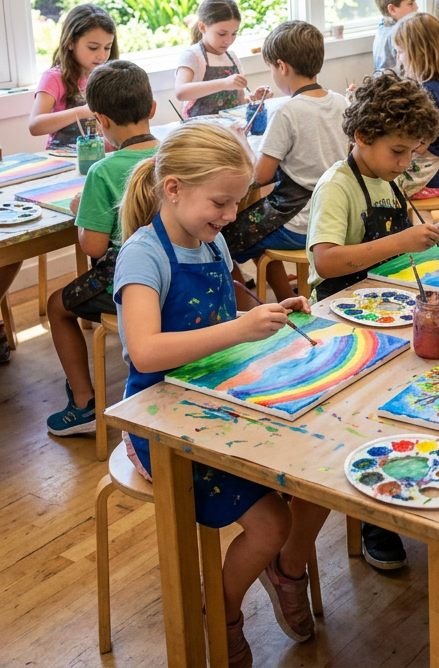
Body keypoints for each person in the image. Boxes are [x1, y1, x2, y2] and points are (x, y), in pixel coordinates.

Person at [115, 122, 330, 664]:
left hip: (224, 398)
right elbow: (145, 352)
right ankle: (224, 610)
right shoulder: (145, 255)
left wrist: (265, 314)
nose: (231, 216)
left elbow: (222, 312)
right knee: (273, 521)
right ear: (173, 189)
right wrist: (239, 328)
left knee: (320, 467)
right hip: (163, 423)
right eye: (221, 202)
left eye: (236, 203)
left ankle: (285, 574)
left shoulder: (207, 240)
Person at [305, 71, 439, 572]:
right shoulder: (339, 186)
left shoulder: (384, 177)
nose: (406, 164)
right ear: (361, 137)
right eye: (399, 152)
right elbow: (327, 262)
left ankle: (409, 471)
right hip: (338, 316)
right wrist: (401, 243)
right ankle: (375, 513)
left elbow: (395, 242)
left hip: (383, 307)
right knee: (367, 414)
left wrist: (435, 229)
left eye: (412, 154)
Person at [45, 60, 159, 437]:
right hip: (177, 270)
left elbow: (93, 245)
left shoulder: (104, 171)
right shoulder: (172, 152)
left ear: (100, 120)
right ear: (153, 109)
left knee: (56, 306)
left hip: (126, 281)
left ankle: (82, 404)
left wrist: (82, 213)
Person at [222, 20, 348, 302]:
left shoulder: (288, 112)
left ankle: (249, 311)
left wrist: (241, 142)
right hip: (334, 217)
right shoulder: (340, 101)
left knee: (218, 243)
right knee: (255, 227)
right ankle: (285, 300)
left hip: (299, 222)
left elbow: (260, 176)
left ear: (282, 66)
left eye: (270, 67)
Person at [28, 3, 118, 150]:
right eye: (93, 47)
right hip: (62, 161)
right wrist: (82, 112)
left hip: (99, 158)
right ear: (71, 43)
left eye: (107, 47)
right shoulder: (54, 78)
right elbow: (35, 126)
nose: (102, 55)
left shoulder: (109, 77)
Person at [393, 12, 439, 199]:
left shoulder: (428, 92)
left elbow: (420, 146)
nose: (398, 58)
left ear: (419, 53)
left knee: (375, 188)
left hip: (428, 176)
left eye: (401, 51)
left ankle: (403, 229)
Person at [175, 0, 269, 118]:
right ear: (202, 27)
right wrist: (224, 83)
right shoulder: (193, 56)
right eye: (221, 34)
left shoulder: (232, 58)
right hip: (200, 130)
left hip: (229, 128)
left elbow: (239, 101)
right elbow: (181, 92)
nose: (228, 41)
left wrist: (254, 99)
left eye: (234, 34)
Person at [372, 0, 418, 72]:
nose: (416, 7)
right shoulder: (400, 32)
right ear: (392, 9)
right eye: (411, 3)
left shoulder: (382, 28)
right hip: (396, 84)